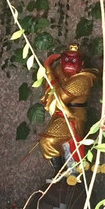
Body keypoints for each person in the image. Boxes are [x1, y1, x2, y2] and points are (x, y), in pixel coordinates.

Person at [39, 44, 99, 173]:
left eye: (74, 60)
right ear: (61, 61)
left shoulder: (83, 79)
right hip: (60, 114)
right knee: (51, 143)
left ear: (81, 63)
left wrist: (48, 69)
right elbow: (49, 94)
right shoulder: (59, 72)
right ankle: (61, 173)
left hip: (72, 116)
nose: (69, 63)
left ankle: (61, 173)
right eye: (66, 59)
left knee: (48, 142)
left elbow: (57, 98)